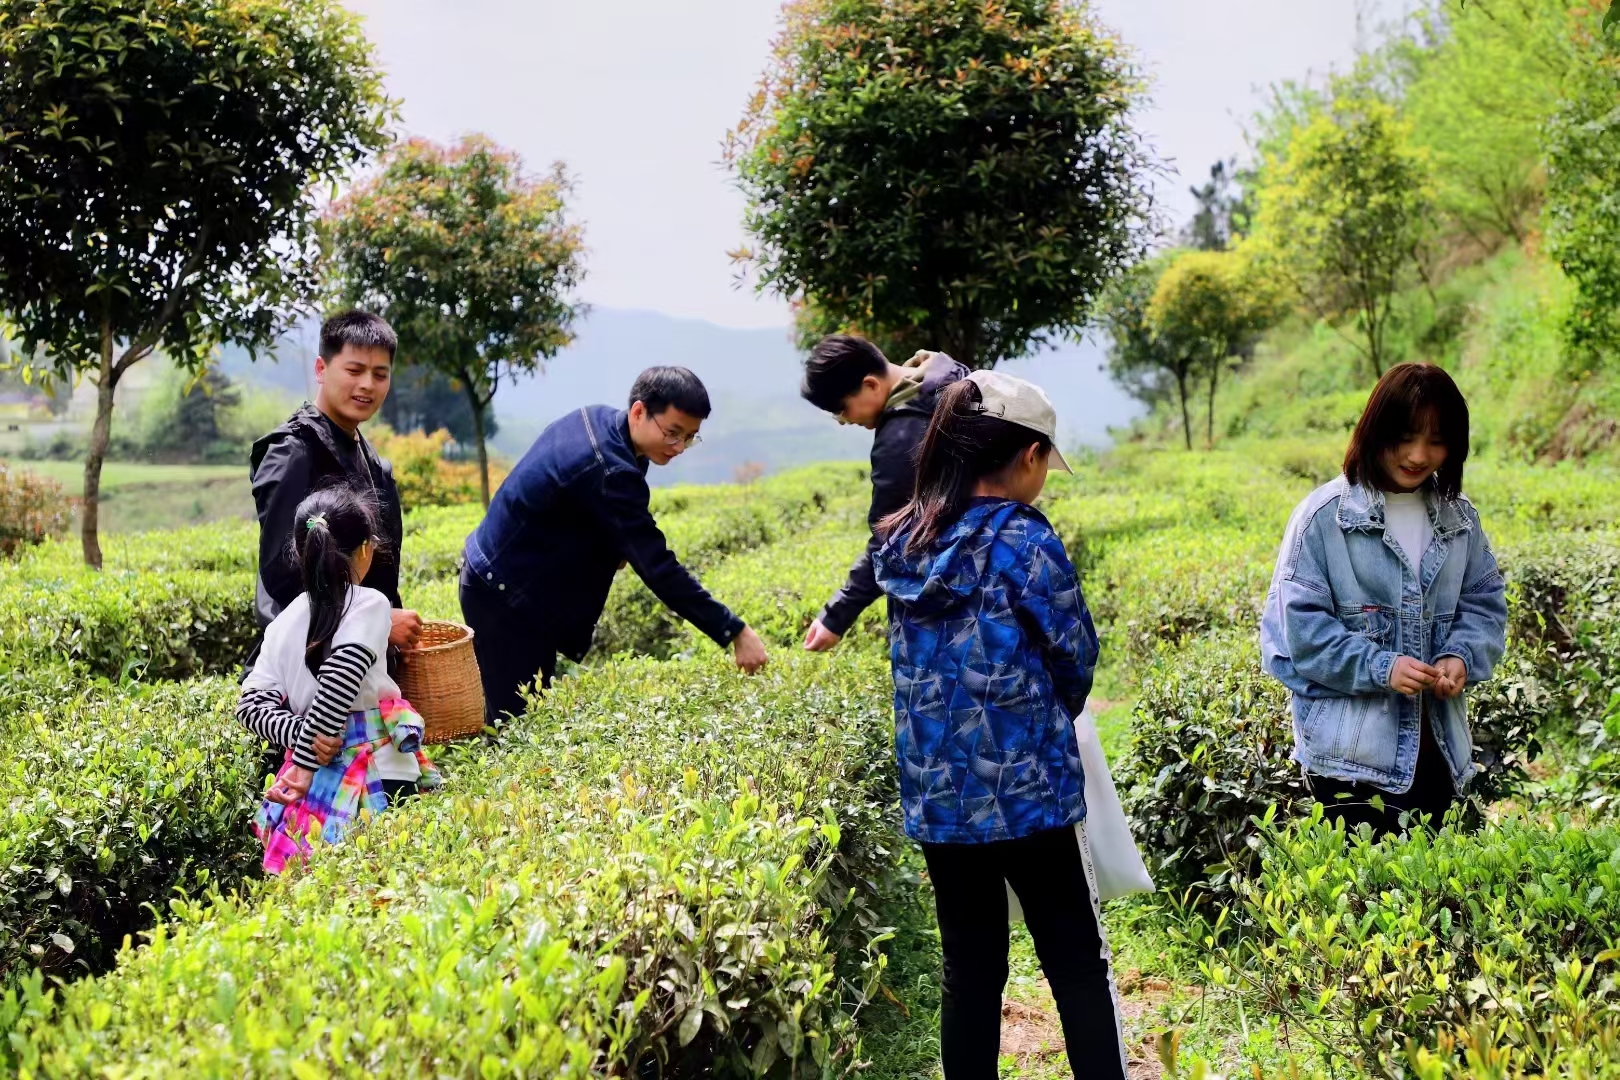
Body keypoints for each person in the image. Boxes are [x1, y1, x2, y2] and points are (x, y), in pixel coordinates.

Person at [873, 371, 1126, 1080]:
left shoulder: (902, 542)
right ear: (1028, 457)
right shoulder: (1023, 539)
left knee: (971, 969)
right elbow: (1074, 652)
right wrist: (1048, 717)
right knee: (1075, 962)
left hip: (941, 795)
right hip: (1027, 789)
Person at [1260, 362, 1508, 836]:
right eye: (1406, 436)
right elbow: (1300, 635)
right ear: (1375, 430)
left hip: (1440, 752)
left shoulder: (1461, 520)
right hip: (1350, 762)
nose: (1419, 455)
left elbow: (1484, 604)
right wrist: (1382, 667)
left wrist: (1461, 655)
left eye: (1437, 441)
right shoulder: (1323, 518)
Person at [460, 366, 768, 721]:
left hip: (497, 577)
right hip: (503, 599)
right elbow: (658, 568)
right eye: (672, 433)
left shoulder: (599, 419)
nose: (680, 447)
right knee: (515, 724)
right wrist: (734, 630)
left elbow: (581, 509)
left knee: (528, 712)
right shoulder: (612, 469)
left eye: (690, 437)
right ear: (639, 412)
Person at [236, 486, 440, 874]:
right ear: (366, 550)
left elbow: (250, 705)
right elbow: (342, 674)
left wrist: (300, 736)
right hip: (377, 772)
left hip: (312, 788)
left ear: (301, 552)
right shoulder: (370, 603)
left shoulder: (283, 622)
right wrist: (311, 755)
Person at [249, 310, 421, 660]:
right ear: (321, 369)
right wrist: (378, 621)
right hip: (306, 667)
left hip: (359, 659)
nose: (367, 385)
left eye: (380, 374)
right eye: (354, 370)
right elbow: (284, 578)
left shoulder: (371, 461)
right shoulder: (293, 453)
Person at [797, 334, 967, 651]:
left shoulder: (903, 434)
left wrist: (835, 617)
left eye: (842, 409)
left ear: (872, 385)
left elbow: (891, 539)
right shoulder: (950, 377)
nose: (843, 421)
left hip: (958, 605)